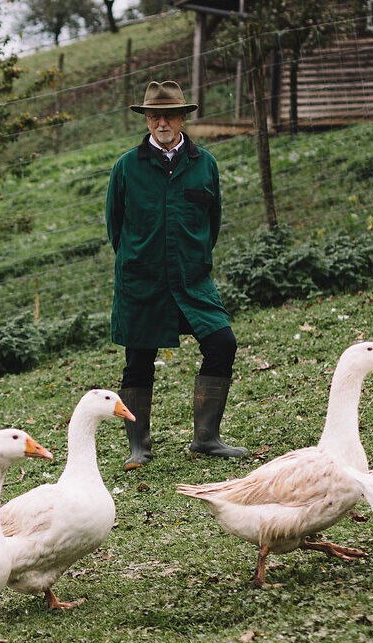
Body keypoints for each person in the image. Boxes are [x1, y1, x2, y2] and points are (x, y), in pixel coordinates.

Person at [105, 80, 246, 469]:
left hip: (191, 280)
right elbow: (114, 227)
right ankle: (139, 447)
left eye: (169, 115)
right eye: (154, 115)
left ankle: (207, 438)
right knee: (138, 359)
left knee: (222, 342)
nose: (161, 122)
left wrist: (191, 256)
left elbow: (211, 223)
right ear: (146, 119)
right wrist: (140, 258)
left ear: (183, 118)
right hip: (142, 281)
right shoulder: (126, 168)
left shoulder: (205, 165)